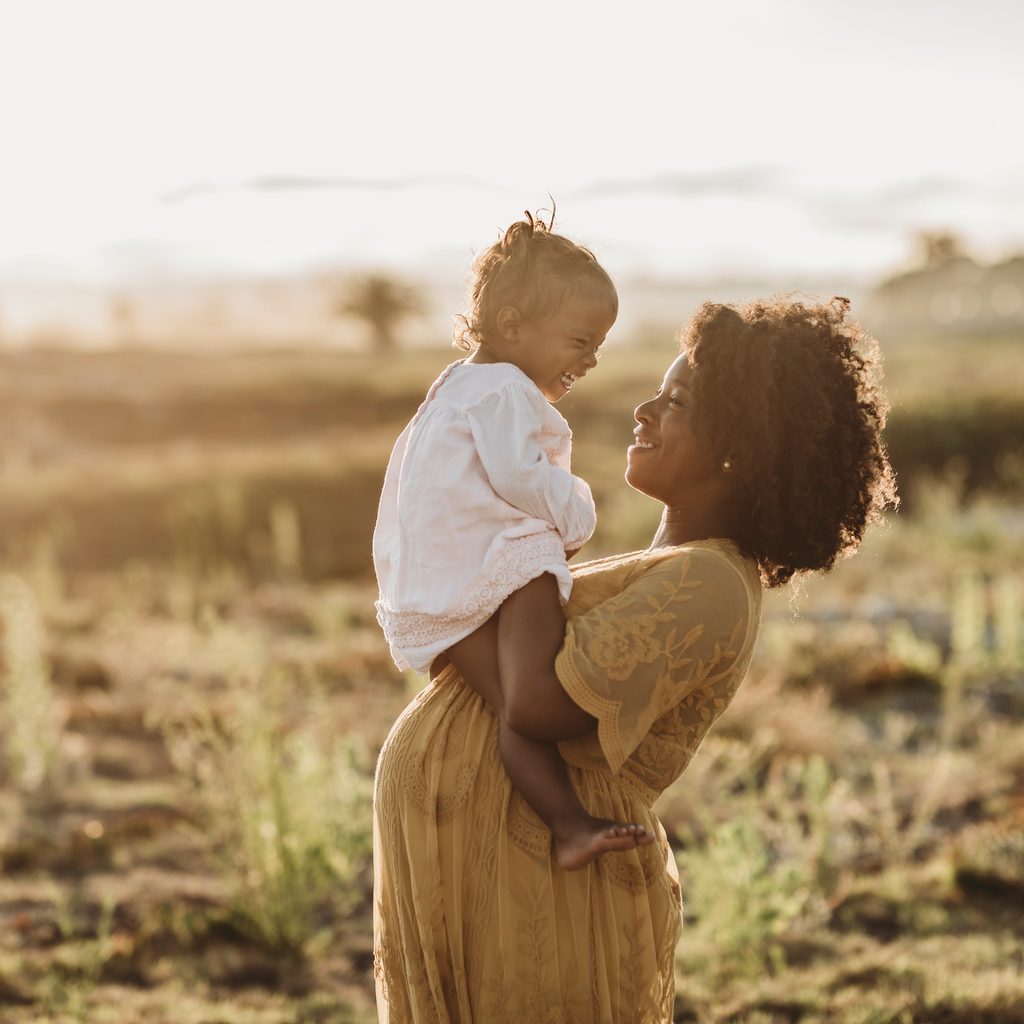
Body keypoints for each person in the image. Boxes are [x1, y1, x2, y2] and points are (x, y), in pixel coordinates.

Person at [372, 295, 897, 1023]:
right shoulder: (666, 566)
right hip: (488, 864)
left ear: (736, 447)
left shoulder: (709, 582)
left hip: (538, 886)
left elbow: (537, 705)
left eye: (675, 400)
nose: (644, 409)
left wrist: (489, 583)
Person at [373, 210, 654, 872]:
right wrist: (577, 512)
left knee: (508, 710)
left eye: (599, 346)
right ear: (510, 327)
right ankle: (593, 742)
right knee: (532, 702)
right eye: (580, 341)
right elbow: (518, 475)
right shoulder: (502, 388)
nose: (590, 360)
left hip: (434, 589)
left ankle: (566, 827)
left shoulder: (453, 386)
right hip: (497, 570)